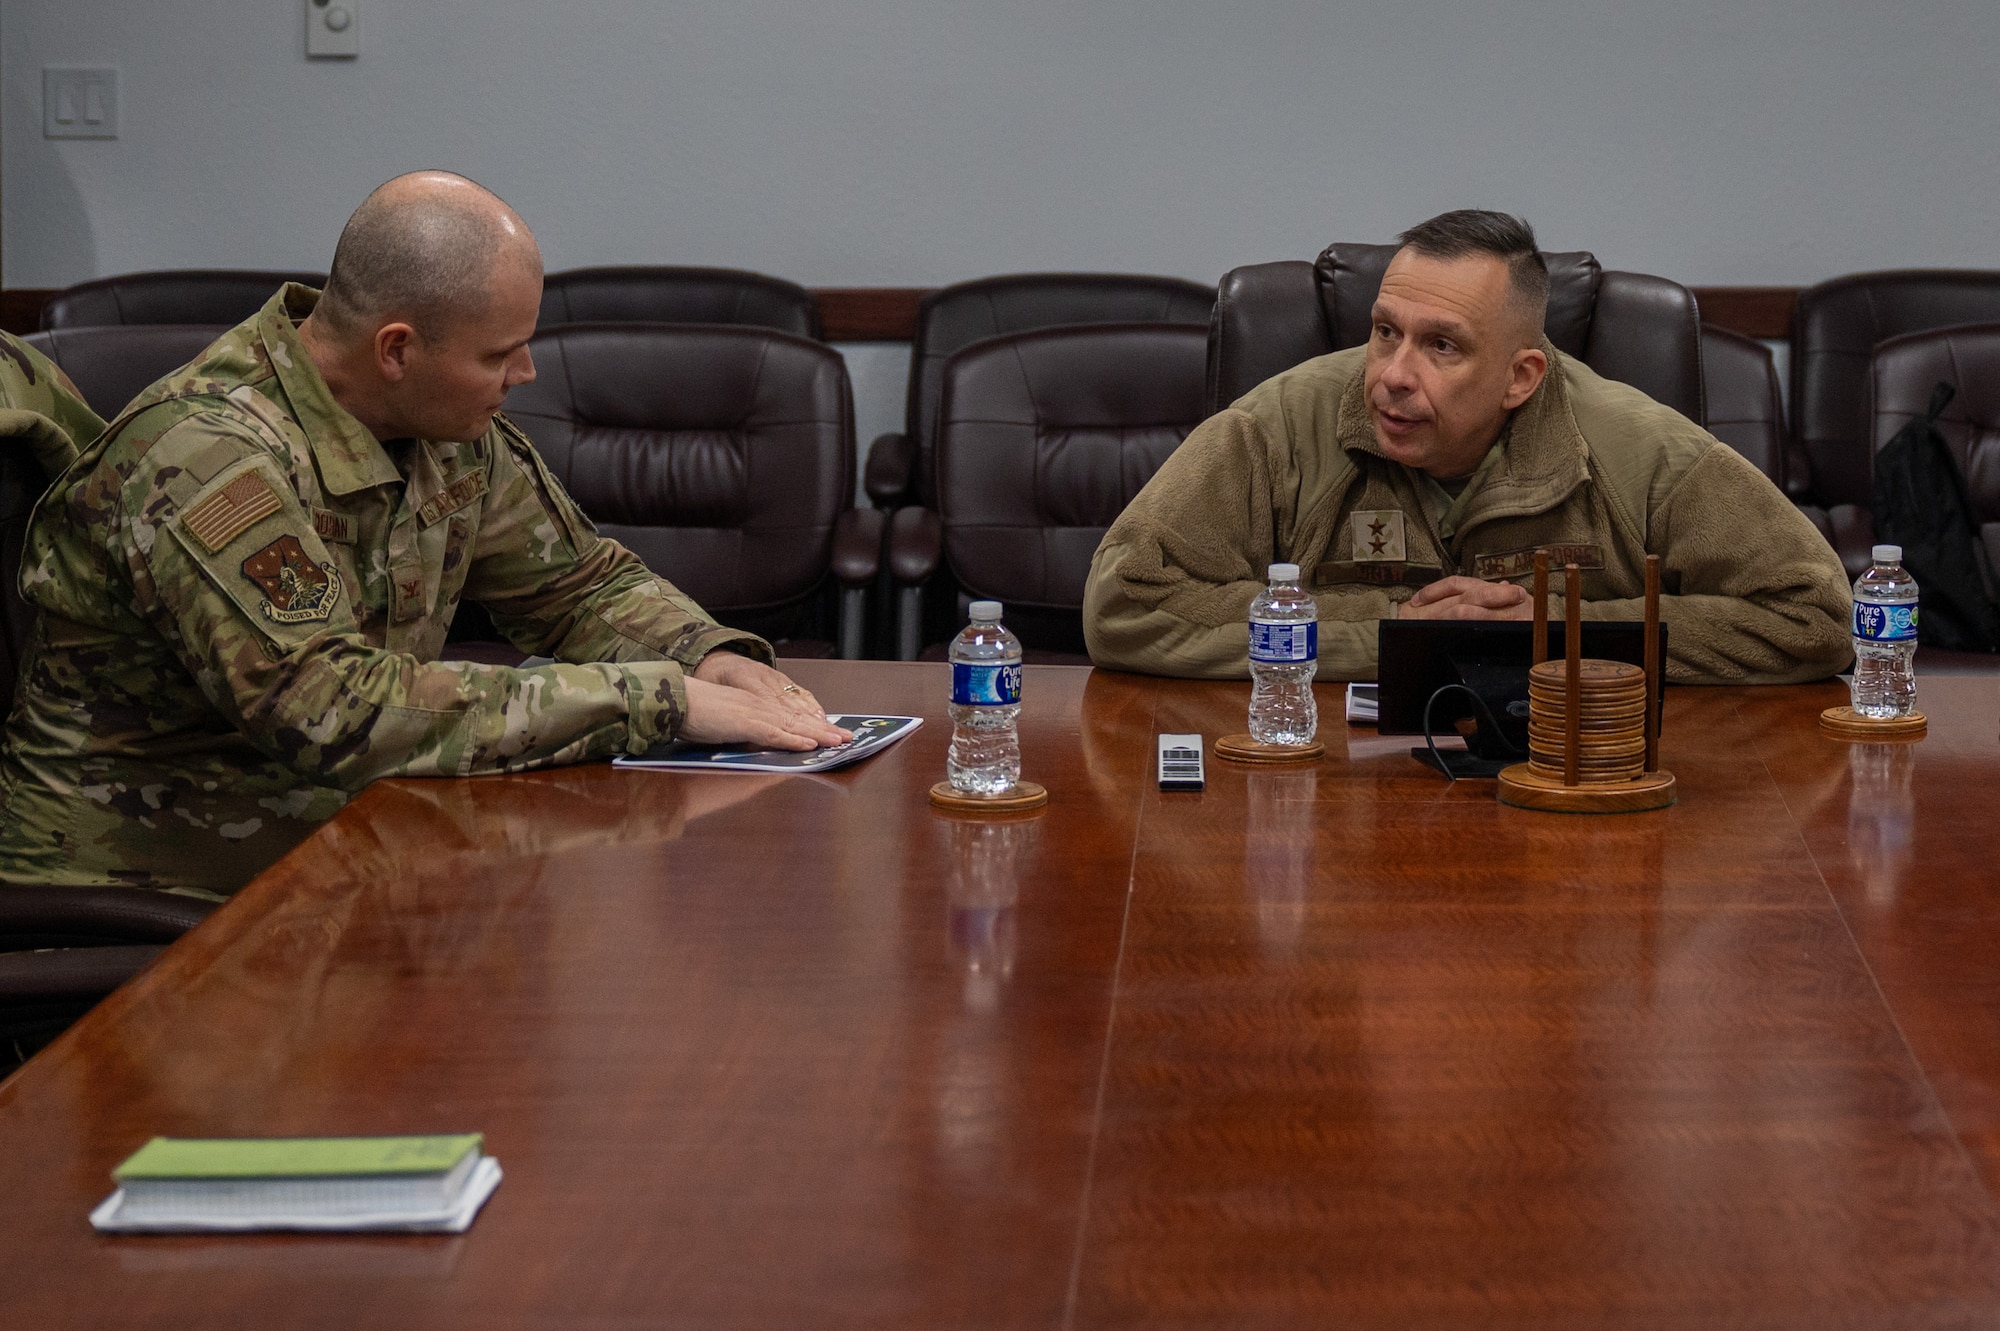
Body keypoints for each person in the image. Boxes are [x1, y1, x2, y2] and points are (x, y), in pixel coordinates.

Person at [0, 171, 848, 896]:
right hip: (153, 891)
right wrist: (656, 700)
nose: (526, 374)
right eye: (500, 355)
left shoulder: (443, 429)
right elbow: (332, 708)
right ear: (397, 350)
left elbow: (578, 584)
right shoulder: (208, 455)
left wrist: (705, 654)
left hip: (339, 845)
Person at [1084, 210, 1852, 683]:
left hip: (1578, 780)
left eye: (1441, 346)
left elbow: (1814, 615)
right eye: (1385, 331)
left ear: (1521, 377)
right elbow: (1125, 600)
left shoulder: (1643, 452)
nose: (1392, 375)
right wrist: (1390, 630)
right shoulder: (1278, 426)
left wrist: (1557, 633)